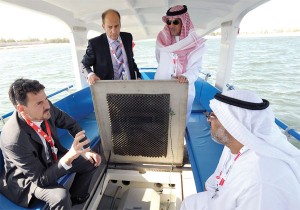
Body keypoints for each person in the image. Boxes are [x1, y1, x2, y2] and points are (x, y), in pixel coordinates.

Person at [180, 90, 300, 210]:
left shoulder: (261, 180)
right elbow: (215, 181)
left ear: (229, 123)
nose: (208, 120)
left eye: (213, 115)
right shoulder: (236, 144)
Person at [0, 78, 101, 209]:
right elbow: (40, 179)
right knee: (61, 197)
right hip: (28, 179)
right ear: (21, 109)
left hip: (50, 156)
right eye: (39, 103)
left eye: (46, 99)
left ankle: (76, 198)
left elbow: (72, 124)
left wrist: (87, 150)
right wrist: (69, 157)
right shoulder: (14, 139)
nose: (46, 105)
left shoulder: (47, 108)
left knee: (91, 161)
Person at [155, 5, 206, 121]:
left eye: (176, 22)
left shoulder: (194, 43)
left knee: (180, 119)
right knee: (161, 117)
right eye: (169, 22)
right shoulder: (162, 39)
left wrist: (185, 76)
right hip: (164, 84)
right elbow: (158, 58)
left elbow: (196, 68)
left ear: (183, 22)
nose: (171, 26)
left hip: (184, 86)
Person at [81, 9, 142, 85]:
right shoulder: (95, 44)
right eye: (110, 27)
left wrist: (138, 76)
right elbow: (84, 64)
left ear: (120, 24)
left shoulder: (127, 37)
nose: (114, 31)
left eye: (116, 26)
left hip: (130, 86)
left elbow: (131, 61)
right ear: (103, 26)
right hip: (109, 90)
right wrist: (90, 74)